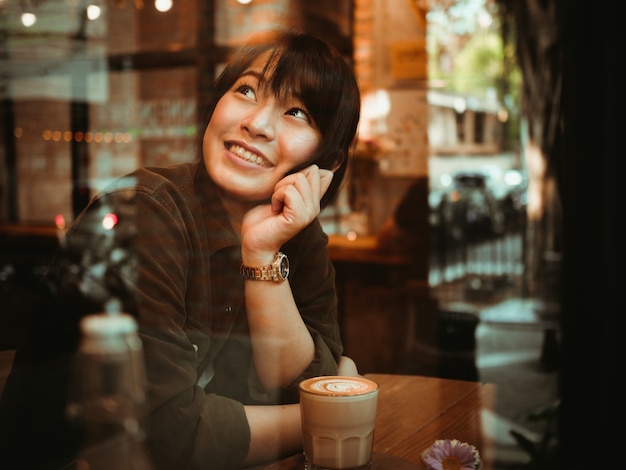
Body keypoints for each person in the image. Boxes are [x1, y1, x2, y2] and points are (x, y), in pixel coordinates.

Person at [0, 29, 361, 469]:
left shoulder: (296, 235)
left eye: (297, 112)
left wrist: (262, 256)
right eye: (246, 89)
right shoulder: (144, 212)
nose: (258, 124)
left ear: (329, 162)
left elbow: (307, 382)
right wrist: (328, 418)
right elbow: (164, 439)